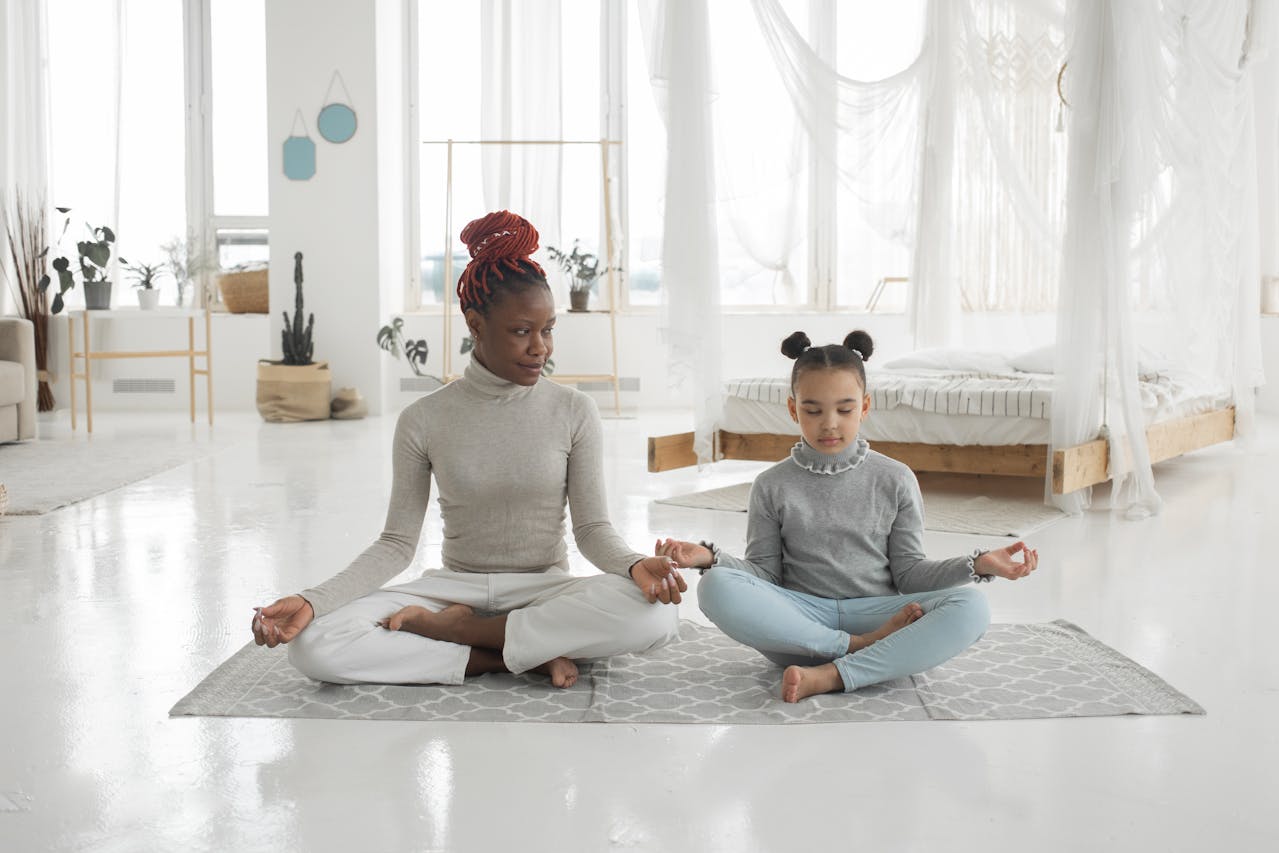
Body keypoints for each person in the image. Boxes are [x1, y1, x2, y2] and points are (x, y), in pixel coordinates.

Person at [251, 210, 685, 688]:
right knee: (314, 646)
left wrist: (633, 565)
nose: (540, 347)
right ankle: (502, 655)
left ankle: (465, 636)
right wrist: (313, 601)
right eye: (522, 331)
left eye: (548, 329)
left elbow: (592, 529)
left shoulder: (574, 410)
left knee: (657, 618)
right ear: (475, 325)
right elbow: (396, 544)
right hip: (452, 588)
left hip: (543, 588)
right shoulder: (423, 419)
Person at [658, 330, 1038, 703]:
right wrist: (710, 559)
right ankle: (859, 651)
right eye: (812, 410)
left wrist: (977, 564)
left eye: (845, 409)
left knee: (972, 607)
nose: (830, 423)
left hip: (879, 617)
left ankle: (831, 676)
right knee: (716, 585)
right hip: (801, 628)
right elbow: (765, 575)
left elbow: (910, 573)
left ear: (865, 406)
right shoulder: (771, 485)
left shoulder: (896, 479)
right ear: (793, 409)